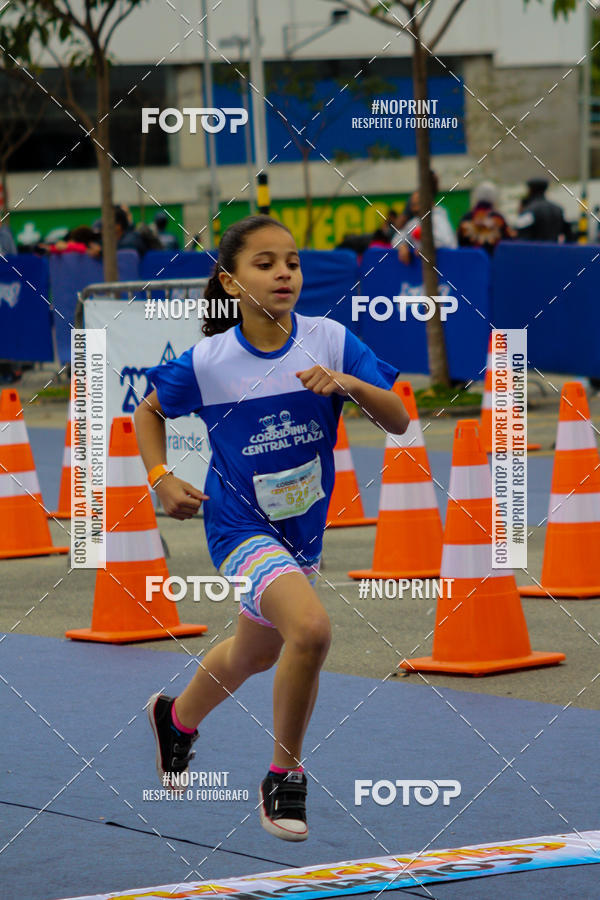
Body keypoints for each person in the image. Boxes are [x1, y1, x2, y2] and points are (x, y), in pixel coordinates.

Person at [134, 214, 408, 841]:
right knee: (309, 632)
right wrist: (160, 476)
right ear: (231, 283)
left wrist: (351, 384)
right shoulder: (210, 361)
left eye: (292, 261)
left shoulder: (331, 340)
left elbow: (396, 418)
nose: (284, 272)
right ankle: (284, 777)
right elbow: (149, 412)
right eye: (265, 263)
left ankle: (175, 719)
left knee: (257, 652)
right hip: (239, 530)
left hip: (303, 531)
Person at [457, 182, 515, 253]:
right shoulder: (498, 218)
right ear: (494, 197)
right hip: (494, 261)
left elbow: (459, 241)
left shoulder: (466, 218)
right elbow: (510, 241)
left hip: (469, 260)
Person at [515, 177, 572, 242]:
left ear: (530, 190)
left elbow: (521, 234)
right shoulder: (558, 209)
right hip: (554, 249)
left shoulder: (529, 210)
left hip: (534, 250)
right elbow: (569, 233)